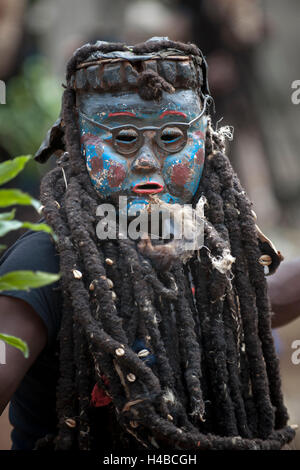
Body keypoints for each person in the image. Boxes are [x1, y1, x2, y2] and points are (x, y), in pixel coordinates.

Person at [0, 37, 296, 451]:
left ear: (206, 143)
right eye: (122, 138)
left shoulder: (212, 248)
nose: (146, 160)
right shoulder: (46, 259)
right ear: (79, 146)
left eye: (172, 136)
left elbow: (254, 302)